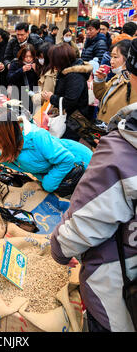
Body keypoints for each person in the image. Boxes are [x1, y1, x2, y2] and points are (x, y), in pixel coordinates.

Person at [50, 38, 137, 333]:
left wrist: (59, 247)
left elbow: (85, 222)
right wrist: (101, 83)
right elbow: (100, 100)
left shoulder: (124, 151)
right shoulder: (113, 79)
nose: (112, 59)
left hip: (117, 286)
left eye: (117, 56)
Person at [42, 43, 93, 141]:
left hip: (73, 120)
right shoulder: (66, 71)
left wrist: (52, 98)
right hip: (71, 118)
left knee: (67, 146)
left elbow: (70, 101)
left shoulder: (74, 75)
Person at [93, 40, 137, 123]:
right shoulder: (117, 77)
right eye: (111, 57)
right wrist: (99, 80)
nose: (111, 61)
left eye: (115, 57)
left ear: (127, 58)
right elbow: (101, 96)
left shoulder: (133, 84)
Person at [7, 44, 38, 113]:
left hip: (32, 96)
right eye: (26, 56)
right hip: (18, 95)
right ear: (22, 55)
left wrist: (36, 71)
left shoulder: (36, 64)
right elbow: (9, 79)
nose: (28, 59)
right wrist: (21, 70)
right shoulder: (15, 64)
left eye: (31, 56)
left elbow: (39, 81)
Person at [32, 41, 56, 106]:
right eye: (39, 57)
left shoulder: (49, 74)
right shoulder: (45, 69)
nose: (40, 59)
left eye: (42, 57)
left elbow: (45, 96)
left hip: (47, 109)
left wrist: (34, 96)